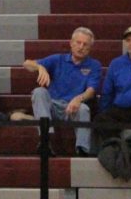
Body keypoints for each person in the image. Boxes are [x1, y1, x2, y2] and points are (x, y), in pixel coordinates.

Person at [23, 26, 102, 156]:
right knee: (39, 92)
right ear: (71, 43)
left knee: (84, 109)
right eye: (78, 42)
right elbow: (26, 63)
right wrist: (39, 67)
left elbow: (91, 90)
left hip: (73, 107)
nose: (81, 47)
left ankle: (82, 150)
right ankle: (45, 141)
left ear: (90, 48)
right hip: (53, 105)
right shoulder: (58, 59)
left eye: (85, 44)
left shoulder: (94, 65)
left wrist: (78, 99)